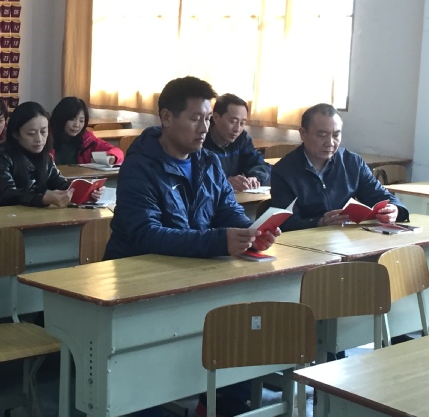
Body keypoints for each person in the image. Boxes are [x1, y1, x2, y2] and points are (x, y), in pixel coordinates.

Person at [102, 77, 279, 417]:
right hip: (139, 282)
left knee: (239, 333)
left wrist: (251, 232)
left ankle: (217, 405)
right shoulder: (140, 166)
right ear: (167, 118)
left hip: (192, 273)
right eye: (195, 118)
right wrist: (219, 240)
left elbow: (228, 211)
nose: (204, 128)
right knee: (150, 379)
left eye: (208, 118)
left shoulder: (208, 162)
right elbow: (146, 234)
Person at [270, 103, 408, 231]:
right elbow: (284, 223)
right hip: (308, 243)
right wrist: (319, 222)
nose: (330, 142)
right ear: (303, 134)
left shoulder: (352, 162)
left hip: (348, 238)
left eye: (336, 135)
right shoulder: (284, 171)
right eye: (322, 135)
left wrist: (395, 210)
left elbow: (381, 196)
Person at [0, 101, 103, 207]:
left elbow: (58, 182)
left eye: (43, 132)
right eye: (31, 133)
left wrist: (86, 191)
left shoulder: (46, 157)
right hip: (3, 217)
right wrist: (42, 199)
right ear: (15, 134)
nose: (39, 139)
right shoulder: (2, 157)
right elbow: (8, 194)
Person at [203, 93, 270, 191]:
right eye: (233, 121)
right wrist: (226, 182)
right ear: (216, 117)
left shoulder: (241, 138)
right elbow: (196, 178)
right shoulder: (200, 139)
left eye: (242, 123)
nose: (237, 129)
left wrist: (255, 178)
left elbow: (259, 164)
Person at [49, 96, 124, 165]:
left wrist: (112, 156)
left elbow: (117, 151)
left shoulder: (87, 139)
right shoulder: (46, 138)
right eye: (72, 119)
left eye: (81, 121)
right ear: (61, 118)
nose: (77, 125)